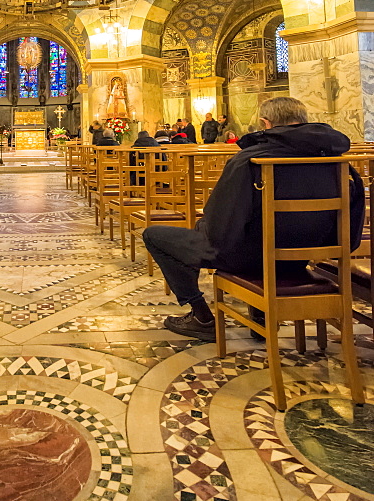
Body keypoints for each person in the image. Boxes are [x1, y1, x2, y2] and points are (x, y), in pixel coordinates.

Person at [142, 96, 365, 341]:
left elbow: (220, 229)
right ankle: (259, 314)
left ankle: (202, 318)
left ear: (265, 123)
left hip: (252, 254)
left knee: (156, 235)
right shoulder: (336, 159)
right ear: (302, 120)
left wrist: (204, 226)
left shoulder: (251, 160)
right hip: (304, 255)